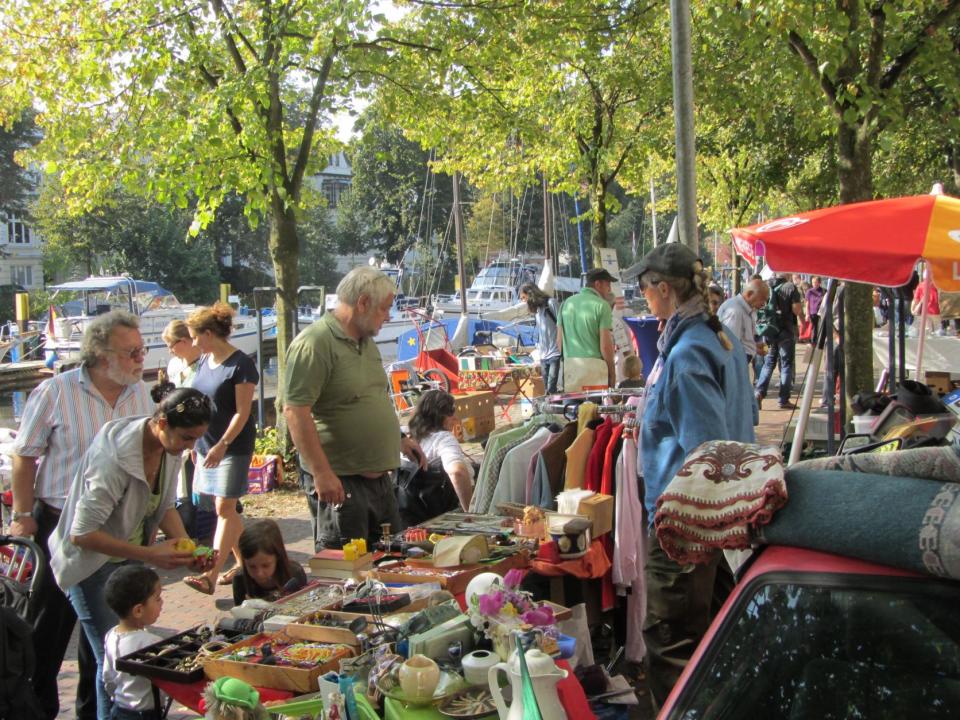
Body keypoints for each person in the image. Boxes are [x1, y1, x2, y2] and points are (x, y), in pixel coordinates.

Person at [625, 242, 755, 709]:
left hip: (685, 525)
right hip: (709, 523)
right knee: (711, 636)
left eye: (645, 289)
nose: (643, 299)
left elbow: (707, 449)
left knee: (672, 642)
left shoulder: (687, 353)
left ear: (663, 289)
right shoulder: (717, 340)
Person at [10, 310, 155, 720]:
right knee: (46, 630)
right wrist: (23, 515)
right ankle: (34, 710)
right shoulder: (55, 392)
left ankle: (92, 712)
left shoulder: (140, 394)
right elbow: (24, 456)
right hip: (59, 525)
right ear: (100, 354)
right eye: (132, 352)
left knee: (105, 633)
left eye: (142, 350)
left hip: (115, 529)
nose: (140, 359)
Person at [50, 384, 213, 719]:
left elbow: (163, 504)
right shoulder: (114, 458)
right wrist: (150, 554)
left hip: (126, 558)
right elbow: (81, 535)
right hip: (90, 564)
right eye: (186, 438)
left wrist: (190, 549)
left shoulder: (168, 448)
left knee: (108, 652)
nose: (190, 447)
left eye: (197, 439)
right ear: (162, 423)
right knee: (114, 658)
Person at [282, 266, 427, 551]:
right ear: (362, 303)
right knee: (348, 573)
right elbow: (295, 411)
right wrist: (321, 473)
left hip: (379, 483)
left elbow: (370, 396)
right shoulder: (314, 344)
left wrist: (399, 439)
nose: (389, 316)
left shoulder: (367, 341)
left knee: (393, 560)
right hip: (341, 482)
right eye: (384, 308)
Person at [183, 302, 259, 595]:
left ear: (210, 333)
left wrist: (221, 444)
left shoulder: (241, 365)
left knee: (224, 507)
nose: (192, 343)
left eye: (194, 336)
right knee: (224, 511)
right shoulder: (204, 361)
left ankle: (210, 575)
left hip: (232, 445)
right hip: (205, 444)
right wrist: (194, 441)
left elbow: (242, 412)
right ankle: (247, 567)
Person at [102, 565, 165, 720]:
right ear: (138, 610)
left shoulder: (111, 635)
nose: (162, 602)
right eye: (157, 599)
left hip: (119, 710)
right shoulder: (151, 643)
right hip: (145, 714)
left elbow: (108, 678)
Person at [163, 319, 204, 537]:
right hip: (176, 426)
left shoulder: (203, 365)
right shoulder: (174, 365)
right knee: (178, 478)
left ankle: (196, 522)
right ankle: (183, 518)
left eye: (173, 344)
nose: (170, 350)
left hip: (195, 426)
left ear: (186, 340)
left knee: (193, 476)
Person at [408, 389, 475, 511]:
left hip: (417, 507)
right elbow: (457, 472)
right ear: (439, 415)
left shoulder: (410, 439)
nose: (455, 418)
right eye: (450, 412)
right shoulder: (443, 438)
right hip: (445, 506)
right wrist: (470, 512)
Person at [557, 268, 617, 391]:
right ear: (597, 284)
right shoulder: (602, 305)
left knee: (572, 409)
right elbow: (605, 347)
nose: (609, 289)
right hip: (595, 373)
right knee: (595, 410)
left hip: (571, 371)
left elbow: (559, 343)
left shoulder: (566, 304)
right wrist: (612, 372)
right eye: (608, 285)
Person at [232, 519, 308, 606]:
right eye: (252, 566)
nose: (259, 573)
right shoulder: (240, 579)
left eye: (265, 565)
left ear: (278, 557)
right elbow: (240, 615)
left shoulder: (295, 573)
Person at [754, 273, 802, 410]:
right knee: (786, 364)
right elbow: (796, 309)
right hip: (786, 331)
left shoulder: (767, 285)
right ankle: (783, 399)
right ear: (786, 273)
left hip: (770, 330)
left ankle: (759, 393)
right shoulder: (790, 287)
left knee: (769, 363)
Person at [718, 278, 770, 372]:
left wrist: (754, 346)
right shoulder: (735, 311)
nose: (764, 304)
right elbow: (729, 344)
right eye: (762, 299)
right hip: (735, 365)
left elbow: (741, 340)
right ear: (749, 294)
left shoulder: (748, 310)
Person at [519, 283, 561, 394]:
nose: (523, 301)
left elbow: (561, 324)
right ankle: (550, 407)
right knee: (546, 387)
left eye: (523, 297)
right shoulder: (537, 311)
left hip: (555, 351)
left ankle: (553, 405)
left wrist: (561, 346)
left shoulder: (551, 303)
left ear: (530, 294)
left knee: (551, 386)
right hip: (543, 354)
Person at [805, 276, 826, 341]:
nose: (814, 284)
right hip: (813, 312)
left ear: (819, 283)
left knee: (821, 327)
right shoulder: (809, 291)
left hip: (821, 312)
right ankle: (813, 341)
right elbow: (807, 303)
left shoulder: (824, 291)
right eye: (813, 282)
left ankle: (820, 341)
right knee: (814, 328)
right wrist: (807, 314)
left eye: (816, 282)